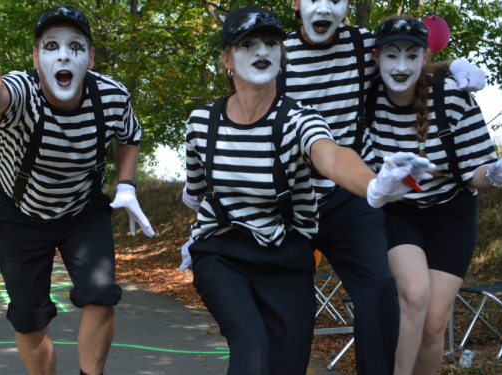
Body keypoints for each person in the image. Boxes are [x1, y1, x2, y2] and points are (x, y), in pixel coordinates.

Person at [181, 7, 432, 374]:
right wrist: (200, 234)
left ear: (282, 55)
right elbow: (198, 189)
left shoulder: (304, 114)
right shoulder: (203, 123)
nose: (261, 52)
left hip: (309, 228)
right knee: (252, 346)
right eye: (248, 44)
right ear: (226, 59)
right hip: (233, 247)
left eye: (270, 43)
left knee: (372, 291)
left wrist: (373, 185)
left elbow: (329, 154)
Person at [271, 1, 488, 372]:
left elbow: (404, 61)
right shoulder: (278, 53)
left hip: (352, 192)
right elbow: (248, 109)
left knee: (380, 290)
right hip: (294, 197)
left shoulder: (361, 43)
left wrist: (451, 64)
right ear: (295, 2)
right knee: (291, 308)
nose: (324, 6)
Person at [0, 6, 153, 375]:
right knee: (29, 318)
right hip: (20, 213)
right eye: (51, 46)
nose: (64, 55)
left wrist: (128, 185)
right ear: (36, 57)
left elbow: (129, 136)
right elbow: (0, 98)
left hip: (82, 210)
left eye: (76, 45)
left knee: (101, 295)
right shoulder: (24, 92)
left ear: (90, 56)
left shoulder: (112, 97)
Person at [364, 18, 502, 375]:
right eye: (391, 55)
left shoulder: (451, 98)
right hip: (397, 212)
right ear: (376, 57)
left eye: (411, 55)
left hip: (452, 214)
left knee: (434, 326)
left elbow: (477, 174)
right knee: (414, 295)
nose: (401, 66)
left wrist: (494, 175)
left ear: (424, 57)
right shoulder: (365, 98)